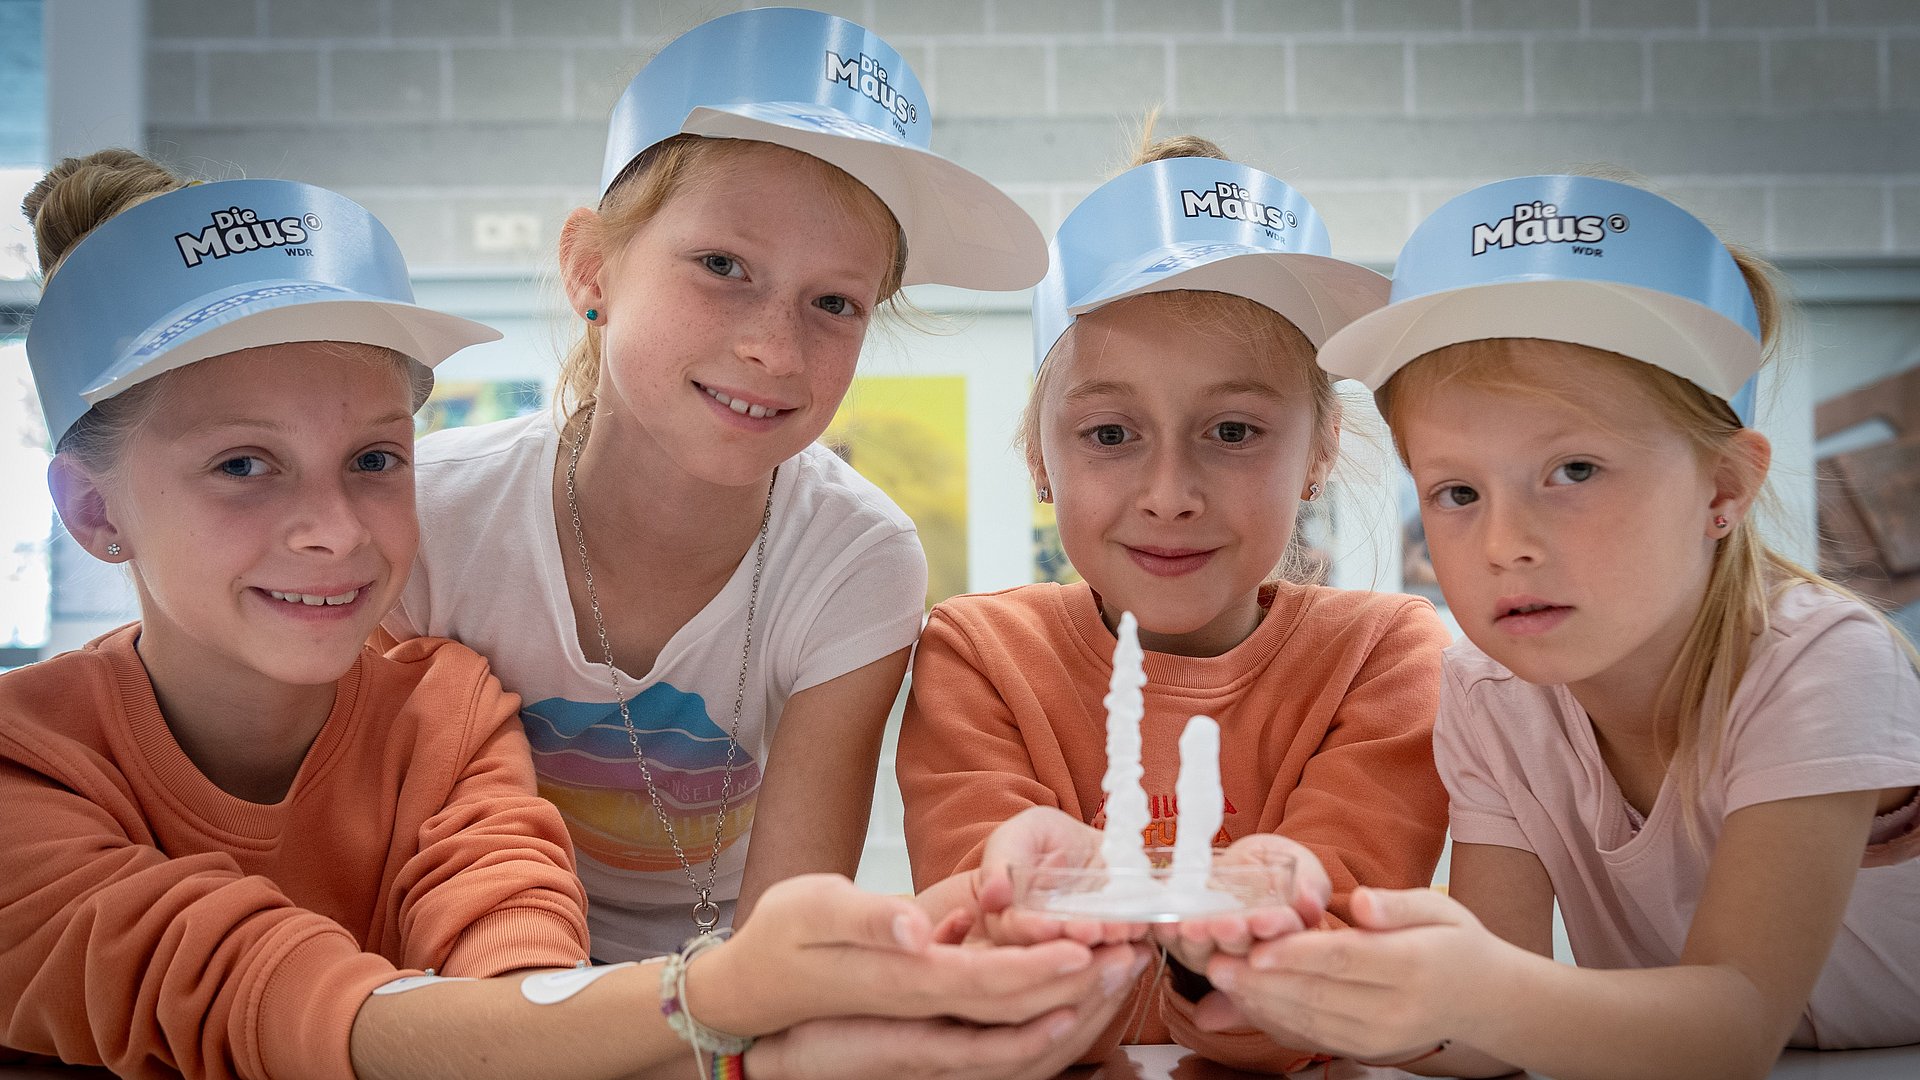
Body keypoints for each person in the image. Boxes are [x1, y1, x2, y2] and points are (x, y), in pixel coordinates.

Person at [0, 149, 1140, 1080]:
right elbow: (266, 992)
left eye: (372, 459)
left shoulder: (445, 714)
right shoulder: (25, 769)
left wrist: (858, 982)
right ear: (93, 510)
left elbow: (515, 981)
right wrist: (728, 1005)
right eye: (244, 464)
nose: (332, 530)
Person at [1204, 174, 1920, 1079]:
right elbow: (1482, 1038)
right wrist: (1298, 967)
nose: (1507, 544)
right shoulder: (1490, 695)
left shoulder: (1822, 664)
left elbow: (1734, 1025)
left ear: (1724, 488)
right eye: (1457, 493)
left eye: (1573, 470)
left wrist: (1476, 992)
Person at [379, 5, 1049, 962]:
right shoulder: (429, 516)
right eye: (723, 266)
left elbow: (785, 942)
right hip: (467, 985)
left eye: (835, 303)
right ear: (589, 267)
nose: (773, 347)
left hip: (719, 1002)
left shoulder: (857, 557)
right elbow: (373, 860)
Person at [895, 129, 1454, 1073]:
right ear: (1042, 457)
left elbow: (1316, 994)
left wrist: (1240, 954)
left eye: (1232, 430)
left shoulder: (1385, 657)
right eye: (1110, 432)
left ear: (1317, 454)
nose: (1168, 492)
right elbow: (1000, 986)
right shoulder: (979, 655)